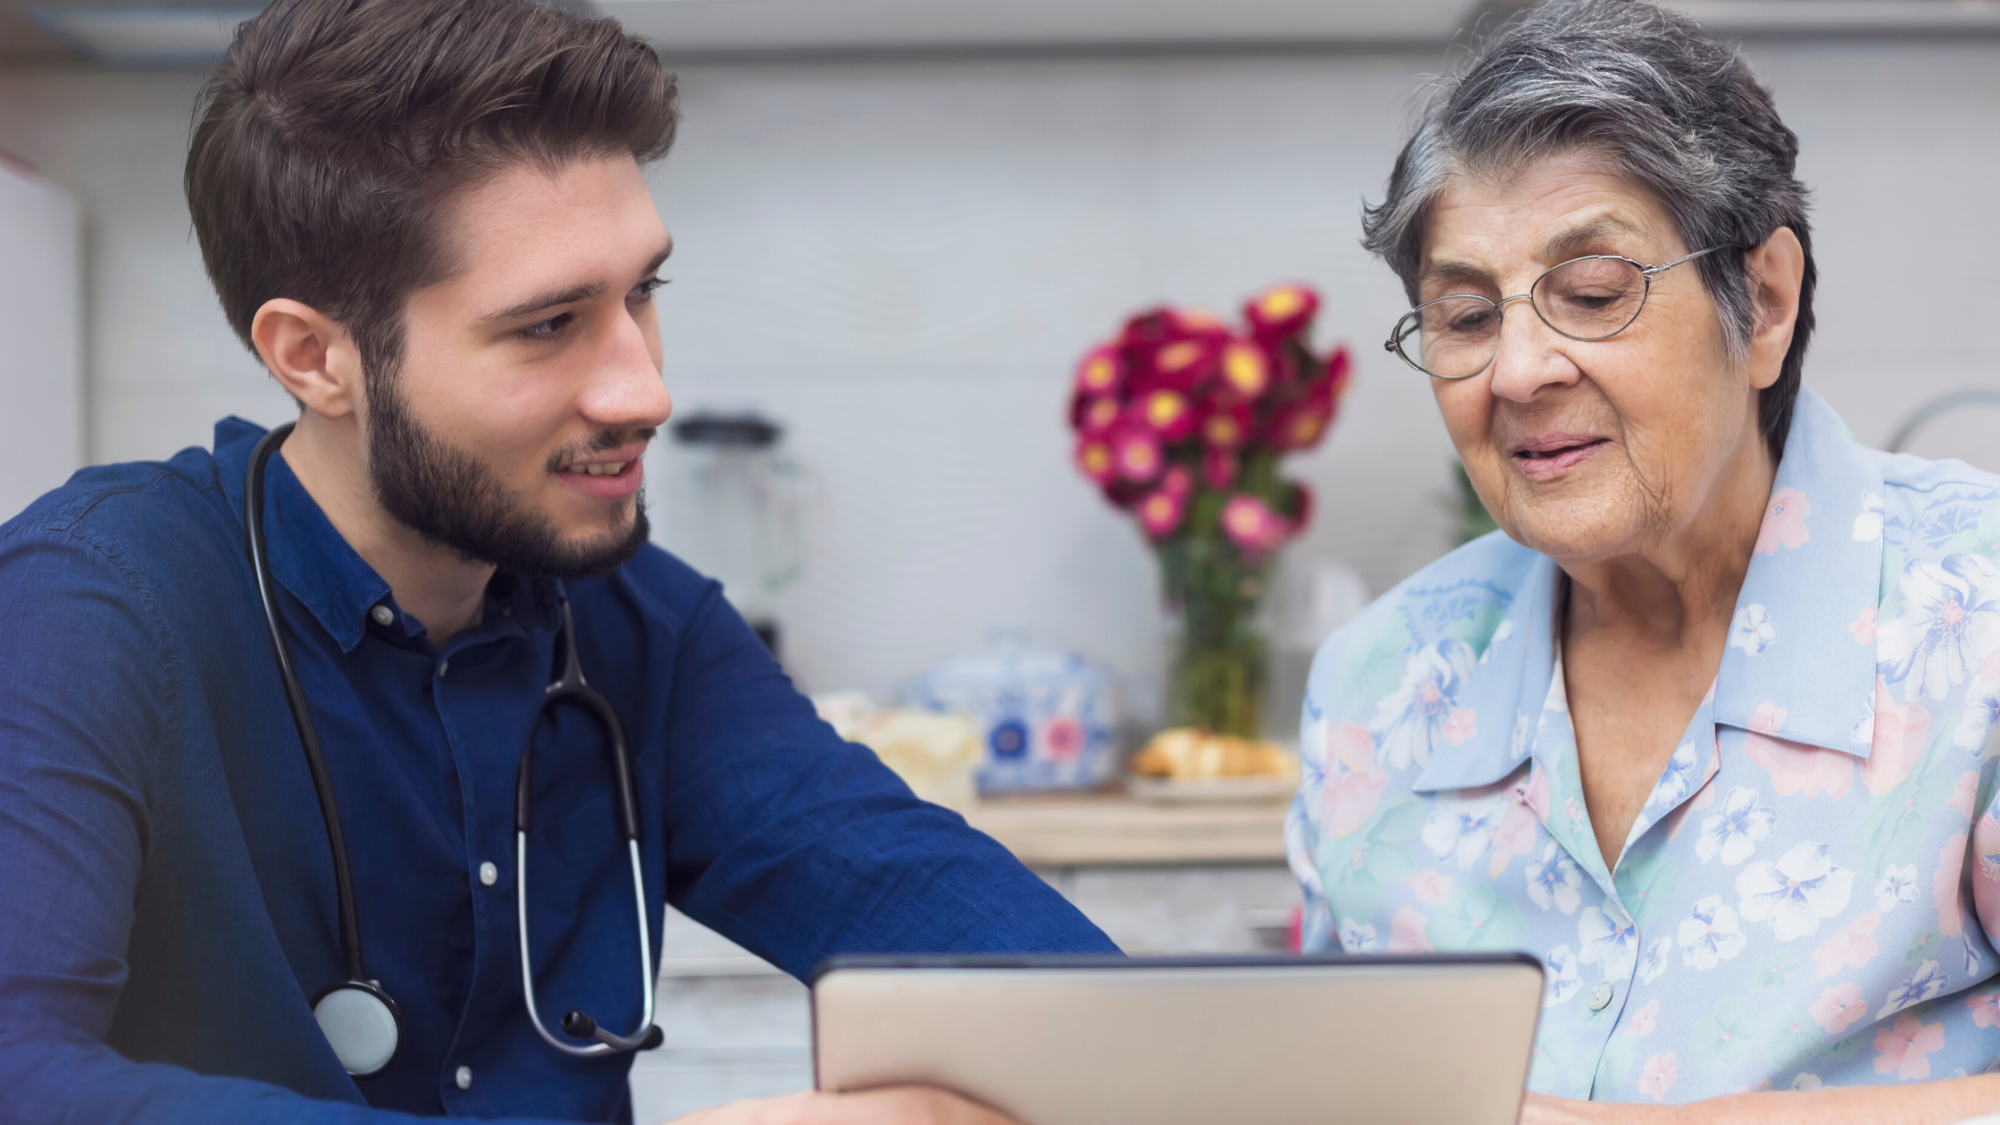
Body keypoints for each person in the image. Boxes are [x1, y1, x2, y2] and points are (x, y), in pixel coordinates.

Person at [0, 1, 1113, 1122]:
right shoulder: (88, 607)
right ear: (315, 357)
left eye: (642, 294)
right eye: (547, 325)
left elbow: (1022, 972)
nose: (645, 391)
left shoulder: (642, 625)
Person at [1286, 0, 2000, 1120]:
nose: (1517, 371)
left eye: (1592, 294)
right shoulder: (1377, 685)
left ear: (1763, 303)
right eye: (1464, 317)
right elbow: (1319, 1085)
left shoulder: (1975, 620)